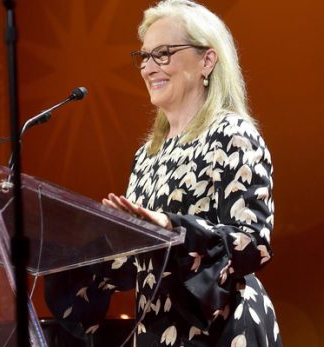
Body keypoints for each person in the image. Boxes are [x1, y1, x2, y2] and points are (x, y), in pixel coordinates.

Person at [45, 1, 281, 346]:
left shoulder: (232, 134)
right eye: (144, 56)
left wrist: (172, 227)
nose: (148, 68)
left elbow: (252, 242)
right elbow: (134, 267)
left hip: (222, 328)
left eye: (164, 54)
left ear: (207, 60)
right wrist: (74, 250)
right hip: (158, 329)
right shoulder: (147, 155)